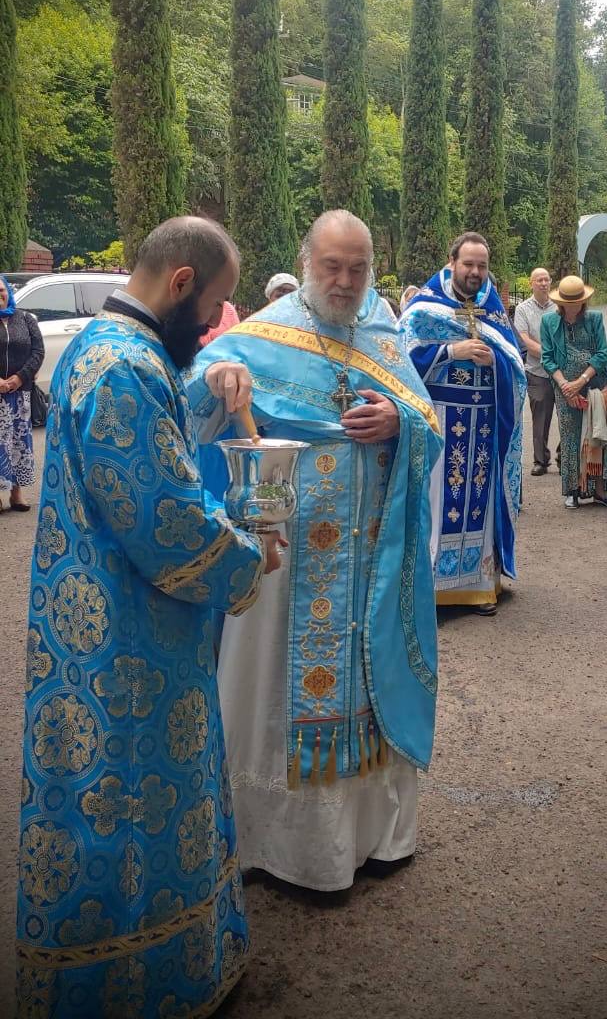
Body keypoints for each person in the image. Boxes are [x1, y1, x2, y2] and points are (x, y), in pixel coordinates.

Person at [16, 218, 281, 1016]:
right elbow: (164, 516)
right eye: (212, 307)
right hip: (128, 642)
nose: (211, 325)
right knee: (132, 806)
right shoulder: (125, 368)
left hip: (94, 620)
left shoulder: (104, 346)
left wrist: (214, 384)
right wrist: (247, 556)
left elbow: (155, 444)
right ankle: (138, 987)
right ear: (180, 283)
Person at [185, 210, 442, 892]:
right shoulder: (260, 335)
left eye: (358, 268)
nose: (345, 281)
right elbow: (187, 406)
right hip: (289, 555)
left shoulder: (382, 332)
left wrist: (399, 421)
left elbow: (426, 419)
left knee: (367, 676)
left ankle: (373, 837)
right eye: (332, 266)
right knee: (272, 685)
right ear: (306, 263)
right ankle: (275, 847)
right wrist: (216, 379)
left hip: (372, 558)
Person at [400, 232, 526, 615]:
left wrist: (495, 362)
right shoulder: (425, 307)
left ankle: (480, 587)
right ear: (452, 262)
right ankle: (433, 591)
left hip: (483, 423)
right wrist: (450, 350)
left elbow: (515, 367)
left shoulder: (493, 309)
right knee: (438, 503)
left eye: (482, 266)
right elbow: (399, 361)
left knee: (481, 505)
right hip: (441, 420)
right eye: (468, 264)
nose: (475, 272)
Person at [540, 275, 607, 510]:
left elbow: (602, 354)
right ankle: (573, 489)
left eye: (577, 301)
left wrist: (581, 380)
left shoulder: (594, 318)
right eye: (569, 302)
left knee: (598, 435)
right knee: (571, 437)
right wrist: (567, 387)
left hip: (595, 385)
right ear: (560, 302)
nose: (574, 306)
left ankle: (600, 490)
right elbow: (547, 358)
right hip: (565, 389)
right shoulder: (549, 322)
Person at [0, 274, 44, 512]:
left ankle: (16, 494)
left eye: (1, 290)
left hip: (20, 393)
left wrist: (20, 377)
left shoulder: (26, 319)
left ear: (8, 292)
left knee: (19, 442)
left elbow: (38, 351)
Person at [514, 267, 557, 476]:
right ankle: (541, 460)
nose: (543, 283)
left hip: (562, 371)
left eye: (546, 279)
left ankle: (565, 456)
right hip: (537, 371)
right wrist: (550, 354)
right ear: (531, 283)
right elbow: (524, 340)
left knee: (568, 417)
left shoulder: (558, 306)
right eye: (539, 280)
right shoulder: (522, 309)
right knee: (540, 418)